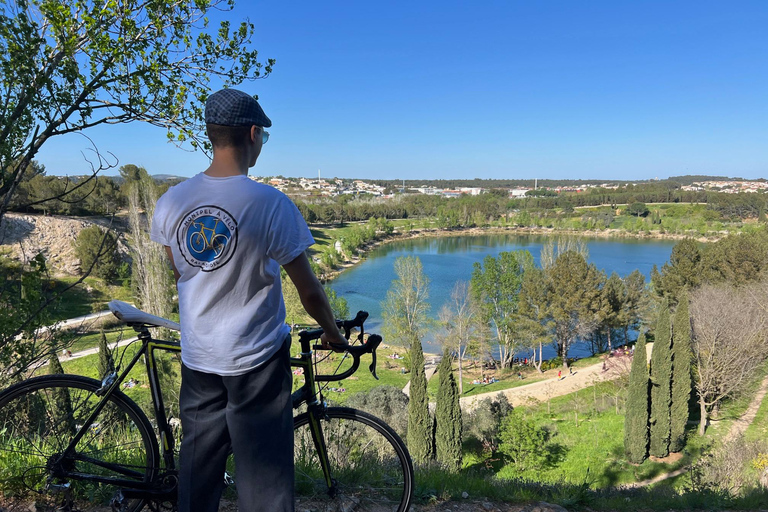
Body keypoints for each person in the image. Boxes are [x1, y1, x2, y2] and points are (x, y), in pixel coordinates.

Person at [150, 89, 347, 512]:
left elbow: (182, 271)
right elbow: (309, 290)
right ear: (253, 134)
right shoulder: (270, 205)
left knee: (197, 473)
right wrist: (334, 333)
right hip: (256, 361)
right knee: (264, 481)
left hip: (199, 357)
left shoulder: (171, 202)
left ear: (211, 134)